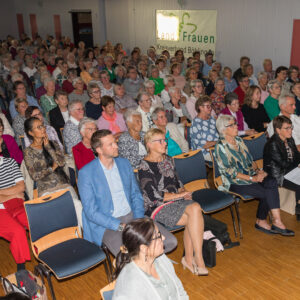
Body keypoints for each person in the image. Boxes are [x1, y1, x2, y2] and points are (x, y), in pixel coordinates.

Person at [77, 129, 177, 256]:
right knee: (130, 255)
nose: (116, 146)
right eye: (111, 144)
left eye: (115, 142)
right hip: (108, 224)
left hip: (132, 216)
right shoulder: (86, 173)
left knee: (169, 242)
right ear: (99, 150)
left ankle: (151, 268)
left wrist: (138, 219)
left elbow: (136, 194)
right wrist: (120, 226)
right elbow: (91, 212)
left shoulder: (124, 164)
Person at [137, 128, 208, 275]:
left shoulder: (168, 159)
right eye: (161, 141)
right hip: (157, 207)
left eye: (165, 140)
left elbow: (178, 182)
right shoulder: (144, 165)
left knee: (194, 209)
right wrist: (178, 196)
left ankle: (191, 259)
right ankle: (195, 259)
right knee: (194, 213)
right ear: (149, 144)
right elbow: (153, 195)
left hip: (176, 201)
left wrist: (183, 192)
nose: (165, 143)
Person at [214, 114, 294, 236]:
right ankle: (261, 221)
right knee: (267, 192)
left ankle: (277, 221)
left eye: (235, 123)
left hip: (251, 175)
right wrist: (253, 178)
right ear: (223, 129)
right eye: (232, 125)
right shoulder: (220, 147)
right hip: (234, 182)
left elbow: (250, 160)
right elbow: (230, 172)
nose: (237, 126)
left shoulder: (239, 140)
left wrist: (258, 171)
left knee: (272, 181)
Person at [23, 117, 82, 227]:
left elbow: (61, 162)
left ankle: (82, 236)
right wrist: (51, 168)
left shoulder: (53, 144)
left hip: (62, 183)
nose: (43, 129)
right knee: (61, 212)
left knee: (77, 205)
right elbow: (35, 176)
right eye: (38, 127)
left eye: (42, 125)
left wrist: (48, 148)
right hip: (46, 189)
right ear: (31, 132)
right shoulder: (28, 152)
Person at [112, 218, 189, 300]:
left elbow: (179, 290)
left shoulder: (160, 258)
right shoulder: (131, 285)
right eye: (158, 236)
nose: (163, 238)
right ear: (144, 249)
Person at [264, 115, 300, 221]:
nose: (290, 130)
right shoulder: (273, 144)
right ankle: (298, 208)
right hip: (278, 174)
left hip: (290, 169)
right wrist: (297, 164)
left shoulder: (289, 139)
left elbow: (297, 157)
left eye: (291, 127)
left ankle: (298, 206)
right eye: (287, 128)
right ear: (278, 130)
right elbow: (283, 164)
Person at [0, 156, 31, 271]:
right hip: (1, 209)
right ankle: (21, 269)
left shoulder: (10, 162)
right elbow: (17, 190)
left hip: (16, 204)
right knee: (18, 231)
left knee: (36, 223)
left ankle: (46, 253)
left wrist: (3, 193)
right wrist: (13, 194)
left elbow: (21, 187)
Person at [190, 96, 219, 161]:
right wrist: (218, 142)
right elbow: (203, 145)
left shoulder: (211, 119)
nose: (210, 108)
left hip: (216, 148)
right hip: (204, 152)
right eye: (208, 106)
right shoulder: (196, 123)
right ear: (200, 107)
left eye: (211, 106)